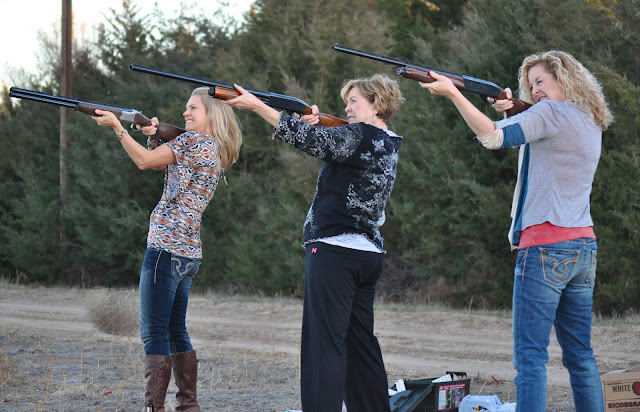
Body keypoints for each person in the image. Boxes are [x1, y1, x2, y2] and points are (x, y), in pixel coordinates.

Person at [419, 50, 613, 411]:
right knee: (580, 356)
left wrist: (454, 93)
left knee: (530, 358)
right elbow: (546, 144)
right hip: (583, 247)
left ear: (564, 78)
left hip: (544, 246)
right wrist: (512, 110)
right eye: (530, 84)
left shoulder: (549, 113)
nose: (535, 90)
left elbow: (492, 137)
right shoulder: (589, 118)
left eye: (541, 81)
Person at [224, 74, 404, 412]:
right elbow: (328, 142)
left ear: (377, 104)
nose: (347, 108)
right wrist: (316, 124)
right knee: (360, 345)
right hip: (368, 254)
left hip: (335, 251)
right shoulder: (390, 142)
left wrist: (257, 106)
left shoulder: (359, 134)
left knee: (323, 344)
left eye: (354, 101)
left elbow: (310, 141)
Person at [91, 87, 242, 412]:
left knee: (154, 331)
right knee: (175, 330)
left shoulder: (192, 142)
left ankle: (154, 408)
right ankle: (188, 406)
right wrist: (153, 136)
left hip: (165, 248)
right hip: (188, 252)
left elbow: (145, 163)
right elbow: (161, 163)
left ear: (211, 114)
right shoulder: (211, 147)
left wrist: (118, 127)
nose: (186, 113)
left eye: (193, 108)